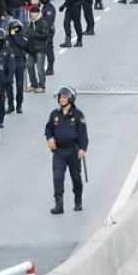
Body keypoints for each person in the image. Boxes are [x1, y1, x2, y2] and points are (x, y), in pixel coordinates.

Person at [44, 86, 89, 215]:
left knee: (76, 178)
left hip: (73, 152)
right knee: (57, 177)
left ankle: (78, 200)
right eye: (60, 97)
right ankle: (59, 204)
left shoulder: (78, 115)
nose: (61, 99)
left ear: (70, 98)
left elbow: (83, 135)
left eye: (64, 97)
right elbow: (48, 129)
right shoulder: (54, 114)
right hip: (59, 152)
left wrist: (82, 149)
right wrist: (49, 138)